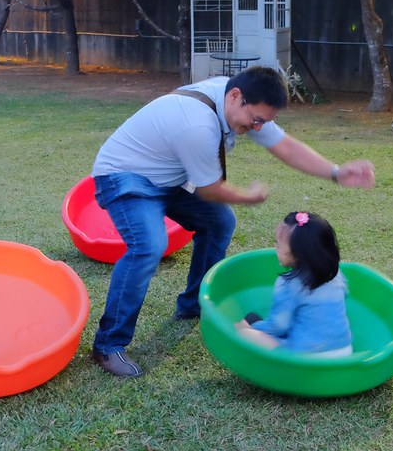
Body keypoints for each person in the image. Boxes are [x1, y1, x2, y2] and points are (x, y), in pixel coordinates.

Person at [89, 66, 375, 377]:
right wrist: (247, 196)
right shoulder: (197, 125)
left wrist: (336, 172)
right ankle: (108, 344)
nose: (257, 127)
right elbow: (210, 189)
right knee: (149, 246)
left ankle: (194, 304)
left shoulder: (241, 100)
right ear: (235, 97)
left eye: (264, 122)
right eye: (256, 120)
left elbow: (286, 146)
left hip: (167, 178)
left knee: (220, 223)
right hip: (123, 176)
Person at [234, 211, 353, 357]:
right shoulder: (336, 275)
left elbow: (278, 326)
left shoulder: (289, 283)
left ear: (297, 254)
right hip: (344, 352)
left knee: (245, 331)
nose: (276, 248)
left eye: (278, 245)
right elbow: (343, 296)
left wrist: (253, 327)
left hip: (303, 359)